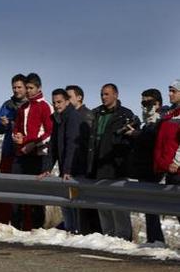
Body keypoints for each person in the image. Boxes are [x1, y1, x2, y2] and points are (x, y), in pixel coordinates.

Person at [87, 83, 139, 240]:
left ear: (116, 95)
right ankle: (107, 238)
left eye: (107, 94)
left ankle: (123, 239)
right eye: (102, 94)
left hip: (116, 168)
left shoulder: (125, 114)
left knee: (119, 207)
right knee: (102, 205)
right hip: (97, 167)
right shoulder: (96, 114)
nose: (103, 97)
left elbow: (129, 142)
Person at [39, 88, 86, 234]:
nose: (57, 105)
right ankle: (70, 230)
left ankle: (76, 231)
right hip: (65, 170)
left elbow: (72, 144)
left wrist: (67, 170)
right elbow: (53, 146)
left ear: (67, 101)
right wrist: (47, 168)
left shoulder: (73, 117)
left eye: (59, 102)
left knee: (74, 202)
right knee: (65, 202)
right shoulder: (58, 119)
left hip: (76, 170)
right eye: (54, 103)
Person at [11, 72, 53, 230]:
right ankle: (15, 227)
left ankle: (37, 229)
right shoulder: (23, 108)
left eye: (30, 88)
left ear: (38, 88)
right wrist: (17, 138)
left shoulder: (45, 106)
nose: (27, 91)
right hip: (21, 155)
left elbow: (50, 132)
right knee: (16, 191)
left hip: (38, 156)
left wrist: (32, 144)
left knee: (36, 195)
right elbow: (17, 128)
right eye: (26, 88)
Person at [128, 89, 169, 243]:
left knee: (151, 207)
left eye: (148, 102)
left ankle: (156, 240)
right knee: (148, 209)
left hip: (154, 168)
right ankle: (154, 240)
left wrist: (137, 135)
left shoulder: (162, 119)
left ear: (158, 103)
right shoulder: (150, 119)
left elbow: (154, 140)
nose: (145, 106)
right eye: (143, 103)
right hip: (144, 168)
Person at [65, 84, 100, 235]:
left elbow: (85, 145)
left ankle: (88, 233)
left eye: (69, 97)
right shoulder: (72, 115)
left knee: (85, 205)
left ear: (79, 97)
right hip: (74, 167)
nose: (66, 101)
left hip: (82, 168)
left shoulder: (86, 116)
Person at [0, 74, 27, 224]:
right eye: (14, 87)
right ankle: (2, 222)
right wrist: (4, 124)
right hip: (8, 152)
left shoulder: (30, 105)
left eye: (19, 87)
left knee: (24, 191)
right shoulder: (7, 105)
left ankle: (23, 224)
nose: (16, 90)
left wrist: (12, 124)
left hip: (25, 153)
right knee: (5, 189)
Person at [152, 80, 180, 226]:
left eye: (173, 91)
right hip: (170, 170)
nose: (169, 94)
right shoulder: (171, 114)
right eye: (169, 90)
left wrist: (177, 161)